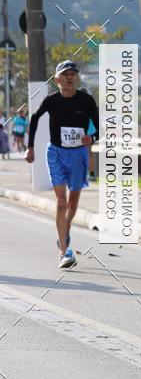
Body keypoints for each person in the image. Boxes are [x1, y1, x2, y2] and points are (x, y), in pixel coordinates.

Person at [26, 60, 99, 269]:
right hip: (56, 153)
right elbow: (35, 118)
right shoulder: (51, 101)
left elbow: (97, 128)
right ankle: (64, 252)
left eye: (72, 74)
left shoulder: (86, 100)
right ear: (57, 79)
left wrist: (91, 138)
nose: (69, 78)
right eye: (65, 74)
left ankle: (64, 231)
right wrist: (30, 147)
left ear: (77, 78)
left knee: (73, 204)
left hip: (78, 154)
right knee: (61, 202)